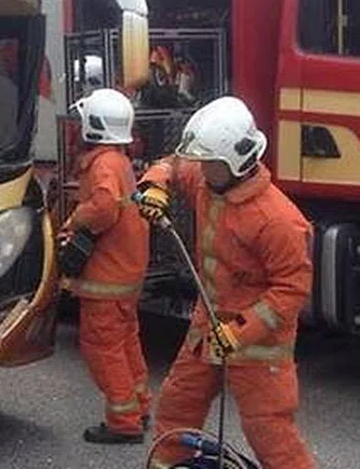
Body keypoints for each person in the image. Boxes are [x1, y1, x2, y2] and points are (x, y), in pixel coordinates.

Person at [137, 95, 316, 469]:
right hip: (209, 326)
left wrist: (241, 332)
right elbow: (173, 163)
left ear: (238, 162)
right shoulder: (208, 180)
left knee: (270, 431)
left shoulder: (279, 220)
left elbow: (291, 290)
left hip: (257, 343)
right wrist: (155, 183)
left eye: (210, 164)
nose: (201, 170)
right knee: (177, 408)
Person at [58, 88, 151, 445]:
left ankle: (123, 421)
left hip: (107, 279)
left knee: (103, 347)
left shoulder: (103, 165)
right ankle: (139, 407)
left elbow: (103, 207)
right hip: (124, 275)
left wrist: (75, 220)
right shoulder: (119, 161)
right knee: (126, 343)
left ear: (94, 127)